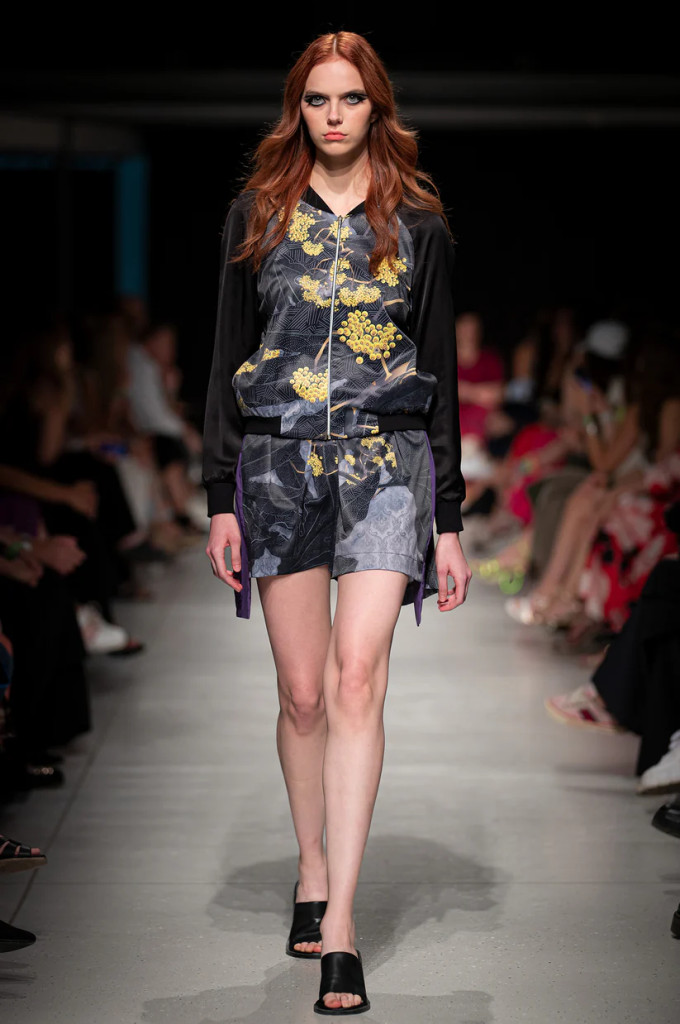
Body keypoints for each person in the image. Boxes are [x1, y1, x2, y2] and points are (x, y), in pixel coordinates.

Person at [201, 31, 470, 1016]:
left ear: (375, 106)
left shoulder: (418, 226)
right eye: (317, 99)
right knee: (305, 692)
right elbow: (227, 353)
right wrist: (216, 493)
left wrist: (448, 518)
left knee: (359, 677)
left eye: (350, 98)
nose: (333, 115)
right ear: (298, 108)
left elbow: (436, 369)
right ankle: (309, 865)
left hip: (387, 465)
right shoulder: (258, 216)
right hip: (277, 465)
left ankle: (342, 924)